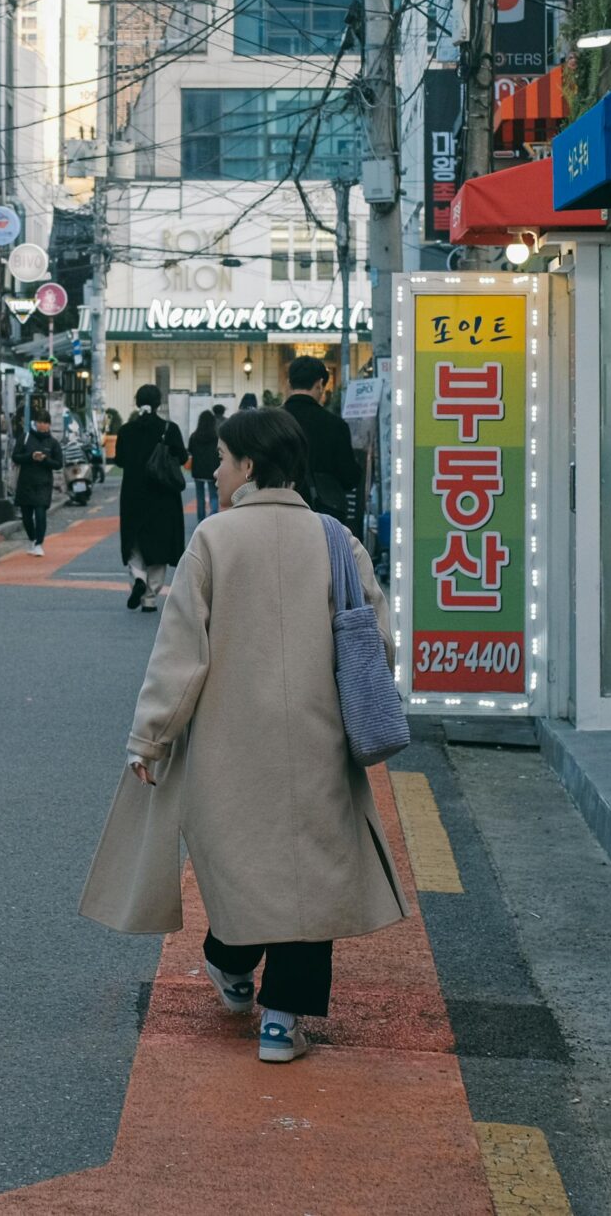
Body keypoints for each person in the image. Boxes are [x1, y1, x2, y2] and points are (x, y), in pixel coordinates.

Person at [79, 404, 407, 1065]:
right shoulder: (335, 539)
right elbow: (380, 641)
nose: (216, 470)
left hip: (230, 751)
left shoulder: (214, 541)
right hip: (322, 741)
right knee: (314, 875)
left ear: (249, 467)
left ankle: (228, 963)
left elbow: (180, 657)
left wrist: (150, 738)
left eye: (224, 461)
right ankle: (283, 1021)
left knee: (243, 869)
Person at [109, 384, 187, 612]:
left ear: (136, 402)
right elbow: (182, 457)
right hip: (163, 496)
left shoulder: (125, 430)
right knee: (160, 545)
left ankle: (138, 577)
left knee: (134, 541)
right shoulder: (169, 429)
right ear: (158, 403)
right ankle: (150, 597)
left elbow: (120, 461)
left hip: (133, 494)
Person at [284, 357, 364, 530]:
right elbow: (349, 477)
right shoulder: (335, 425)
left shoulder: (270, 422)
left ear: (289, 383)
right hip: (324, 515)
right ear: (320, 384)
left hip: (279, 511)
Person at [12, 405, 60, 552]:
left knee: (40, 514)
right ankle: (32, 539)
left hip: (43, 484)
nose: (42, 425)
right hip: (25, 483)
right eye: (39, 422)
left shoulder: (53, 443)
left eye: (45, 422)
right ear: (35, 423)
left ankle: (39, 543)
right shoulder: (25, 438)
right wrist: (30, 457)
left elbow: (59, 464)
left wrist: (45, 460)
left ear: (49, 424)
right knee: (26, 517)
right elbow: (15, 457)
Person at [187, 406, 223, 522]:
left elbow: (190, 450)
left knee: (200, 496)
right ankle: (213, 517)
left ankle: (201, 519)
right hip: (212, 470)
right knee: (213, 495)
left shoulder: (194, 436)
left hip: (198, 470)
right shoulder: (216, 437)